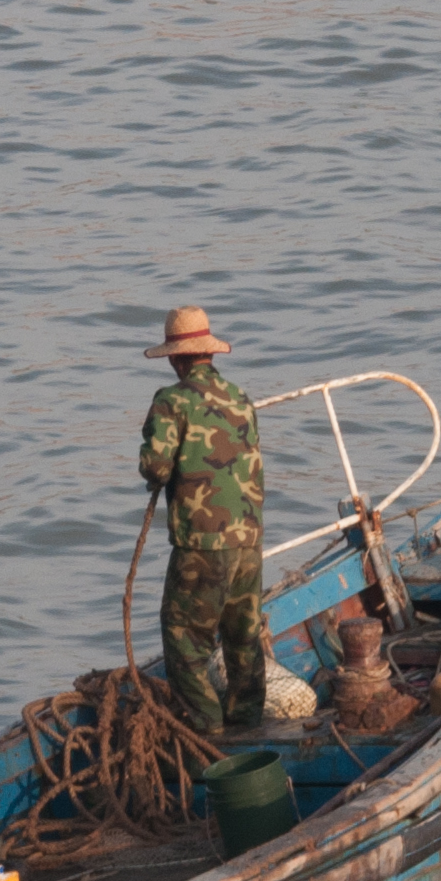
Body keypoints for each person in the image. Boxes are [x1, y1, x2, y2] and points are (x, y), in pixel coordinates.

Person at [136, 303, 267, 735]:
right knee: (243, 634)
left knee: (182, 635)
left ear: (175, 358)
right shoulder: (241, 397)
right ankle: (247, 722)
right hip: (248, 537)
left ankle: (207, 728)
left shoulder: (171, 400)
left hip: (203, 544)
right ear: (209, 353)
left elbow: (155, 468)